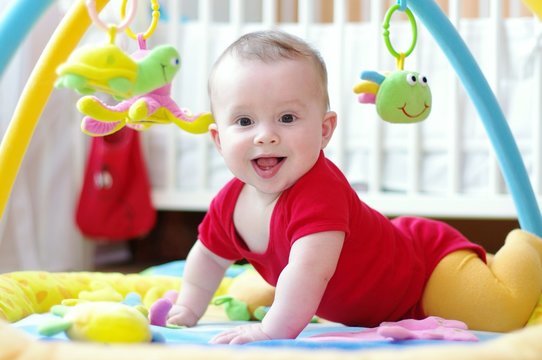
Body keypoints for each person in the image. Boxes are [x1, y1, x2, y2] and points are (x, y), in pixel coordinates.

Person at [167, 30, 542, 344]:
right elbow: (208, 258)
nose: (266, 136)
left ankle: (526, 247)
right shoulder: (229, 203)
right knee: (276, 286)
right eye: (245, 120)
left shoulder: (319, 191)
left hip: (421, 276)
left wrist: (272, 331)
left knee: (499, 312)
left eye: (287, 118)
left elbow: (310, 272)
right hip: (372, 286)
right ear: (218, 139)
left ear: (324, 130)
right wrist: (188, 306)